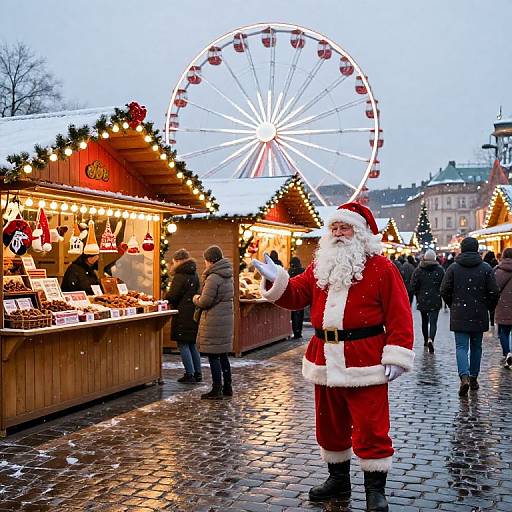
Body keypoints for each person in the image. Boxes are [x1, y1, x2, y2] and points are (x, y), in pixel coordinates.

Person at [254, 202, 414, 512]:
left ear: (361, 233)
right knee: (329, 424)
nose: (338, 233)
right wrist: (277, 279)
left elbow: (400, 314)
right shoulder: (320, 266)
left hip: (365, 359)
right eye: (334, 228)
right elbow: (297, 294)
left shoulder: (382, 268)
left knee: (371, 426)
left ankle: (374, 491)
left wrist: (396, 353)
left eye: (345, 227)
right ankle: (337, 480)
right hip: (324, 358)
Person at [440, 237, 499, 397]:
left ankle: (464, 376)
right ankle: (473, 377)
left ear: (462, 248)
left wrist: (453, 304)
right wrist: (488, 307)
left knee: (461, 347)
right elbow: (494, 291)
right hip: (479, 312)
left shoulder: (453, 268)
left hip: (460, 312)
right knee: (476, 346)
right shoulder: (486, 268)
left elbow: (444, 290)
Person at [193, 245, 234, 400]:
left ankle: (216, 388)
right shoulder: (227, 275)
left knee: (214, 356)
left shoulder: (213, 277)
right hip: (224, 320)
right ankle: (227, 386)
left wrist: (195, 298)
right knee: (223, 355)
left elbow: (205, 301)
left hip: (214, 321)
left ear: (210, 260)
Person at [165, 249, 201, 384]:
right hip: (193, 312)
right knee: (192, 344)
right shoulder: (194, 274)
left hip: (182, 314)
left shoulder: (180, 276)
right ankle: (197, 373)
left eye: (174, 262)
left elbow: (173, 296)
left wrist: (166, 297)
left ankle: (189, 374)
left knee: (183, 344)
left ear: (178, 261)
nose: (173, 265)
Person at [410, 249, 445, 353]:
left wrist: (417, 294)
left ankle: (425, 340)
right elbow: (444, 285)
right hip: (435, 298)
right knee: (433, 322)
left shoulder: (419, 270)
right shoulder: (439, 270)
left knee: (424, 321)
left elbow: (413, 285)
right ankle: (431, 339)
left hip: (423, 299)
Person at [493, 247, 512, 368]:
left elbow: (494, 289)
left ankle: (507, 353)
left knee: (503, 332)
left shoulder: (499, 270)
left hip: (503, 305)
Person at [288, 256, 305, 339]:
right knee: (300, 314)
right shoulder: (302, 270)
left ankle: (295, 332)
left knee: (294, 314)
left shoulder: (290, 271)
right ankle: (299, 332)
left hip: (292, 295)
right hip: (301, 295)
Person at [483, 250, 499, 328]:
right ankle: (492, 320)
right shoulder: (495, 263)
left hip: (485, 288)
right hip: (492, 285)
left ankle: (490, 319)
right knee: (492, 305)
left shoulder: (484, 264)